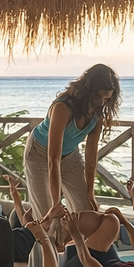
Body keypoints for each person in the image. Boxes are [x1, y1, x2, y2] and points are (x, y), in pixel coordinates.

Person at [23, 64, 120, 226]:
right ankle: (42, 246)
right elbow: (53, 160)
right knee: (48, 218)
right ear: (88, 90)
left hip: (70, 155)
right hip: (39, 153)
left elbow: (91, 157)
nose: (101, 102)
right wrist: (55, 203)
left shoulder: (97, 113)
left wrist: (90, 193)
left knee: (87, 210)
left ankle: (75, 249)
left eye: (107, 99)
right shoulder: (62, 108)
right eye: (98, 97)